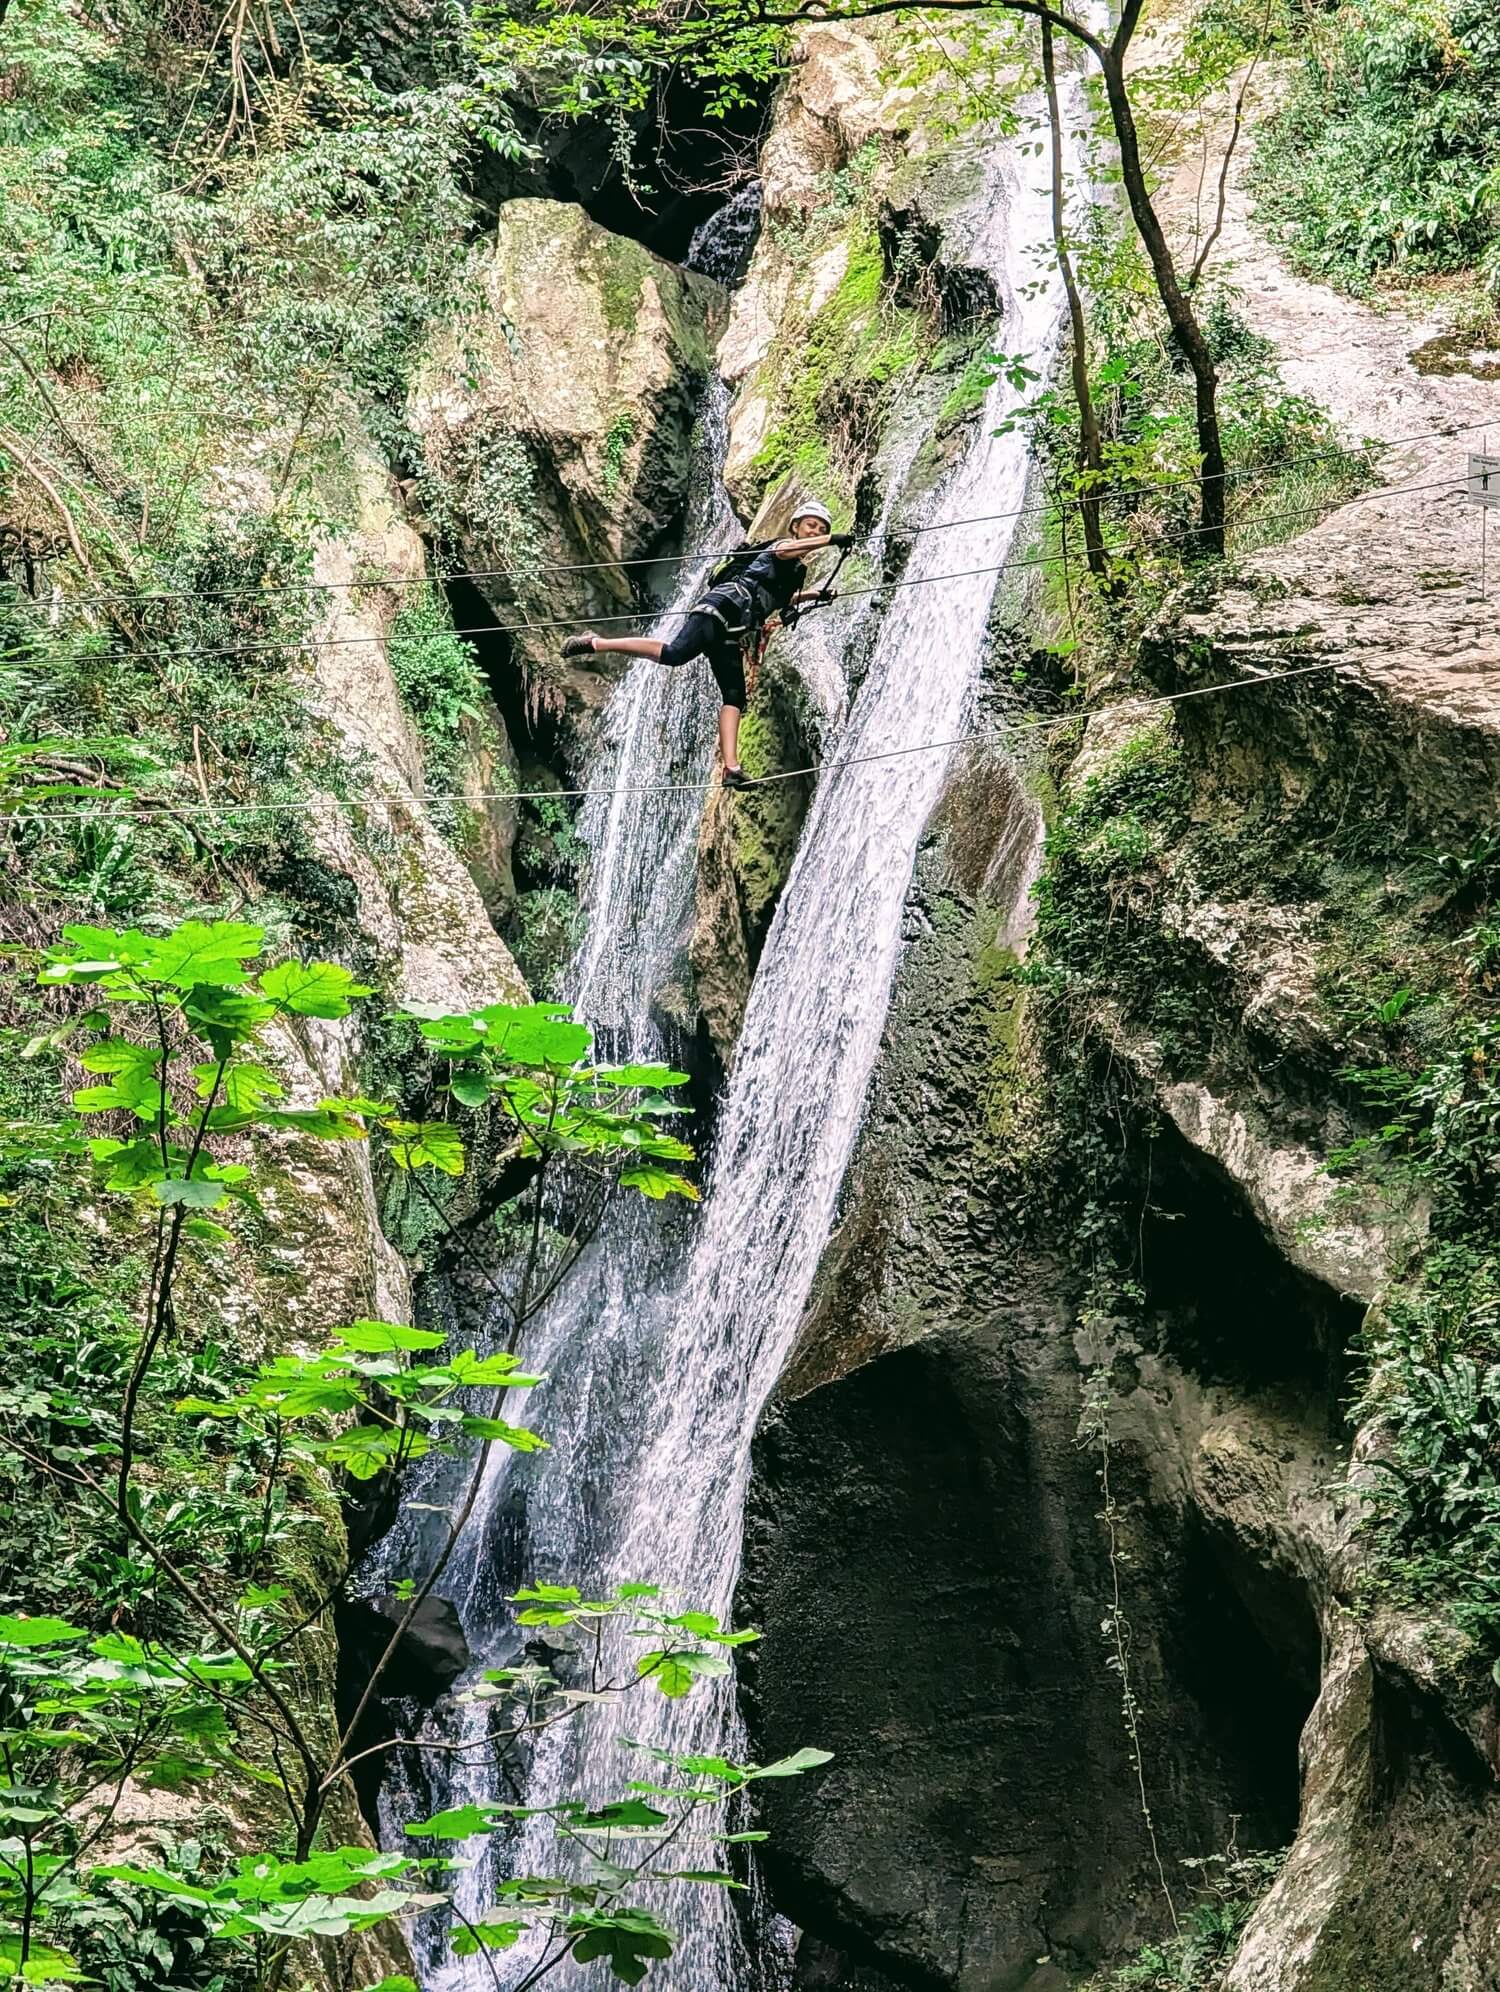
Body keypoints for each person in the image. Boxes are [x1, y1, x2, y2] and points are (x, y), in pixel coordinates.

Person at [561, 502, 853, 789]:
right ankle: (595, 642)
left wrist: (814, 595)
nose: (815, 530)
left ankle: (732, 769)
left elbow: (777, 600)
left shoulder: (795, 573)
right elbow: (785, 551)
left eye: (821, 528)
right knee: (675, 654)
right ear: (796, 527)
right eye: (811, 525)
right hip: (719, 609)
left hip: (733, 630)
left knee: (735, 696)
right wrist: (830, 540)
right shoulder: (781, 546)